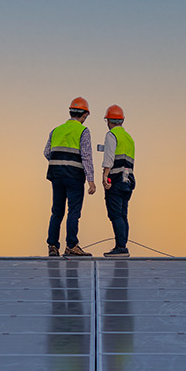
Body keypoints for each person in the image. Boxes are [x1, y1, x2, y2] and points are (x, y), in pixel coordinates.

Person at [44, 96, 96, 257]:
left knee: (57, 211)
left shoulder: (56, 130)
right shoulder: (83, 131)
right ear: (84, 115)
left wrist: (60, 162)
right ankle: (72, 246)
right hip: (74, 176)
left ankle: (52, 246)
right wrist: (91, 180)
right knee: (73, 211)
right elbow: (86, 156)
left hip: (56, 175)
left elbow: (47, 152)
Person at [100, 104, 135, 257]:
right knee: (123, 214)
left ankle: (120, 247)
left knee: (115, 214)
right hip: (128, 178)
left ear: (108, 121)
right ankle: (122, 245)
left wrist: (105, 176)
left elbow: (109, 158)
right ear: (122, 120)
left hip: (115, 178)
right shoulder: (129, 138)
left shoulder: (111, 135)